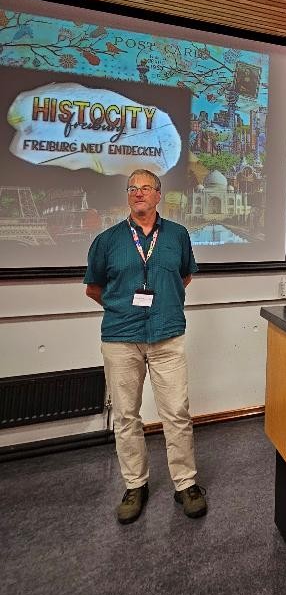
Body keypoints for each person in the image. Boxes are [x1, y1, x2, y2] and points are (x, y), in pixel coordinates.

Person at [85, 169, 206, 524]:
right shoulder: (106, 241)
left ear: (158, 195)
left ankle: (186, 484)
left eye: (146, 188)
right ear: (128, 196)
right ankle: (135, 485)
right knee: (125, 417)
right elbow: (93, 288)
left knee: (177, 413)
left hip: (167, 334)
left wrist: (161, 303)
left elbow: (183, 276)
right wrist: (124, 307)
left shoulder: (178, 236)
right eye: (132, 188)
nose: (139, 193)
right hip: (121, 340)